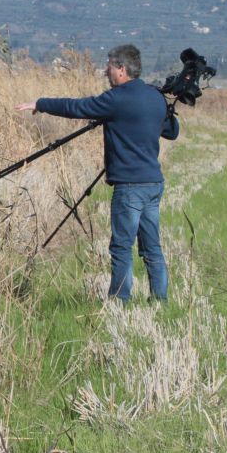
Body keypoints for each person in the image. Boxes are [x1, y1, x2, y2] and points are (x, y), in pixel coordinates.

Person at [15, 44, 168, 303]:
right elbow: (171, 131)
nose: (106, 71)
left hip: (129, 186)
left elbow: (78, 108)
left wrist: (40, 103)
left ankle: (119, 302)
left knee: (121, 247)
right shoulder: (155, 97)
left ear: (121, 69)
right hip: (153, 182)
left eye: (109, 66)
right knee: (152, 248)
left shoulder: (117, 98)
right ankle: (160, 302)